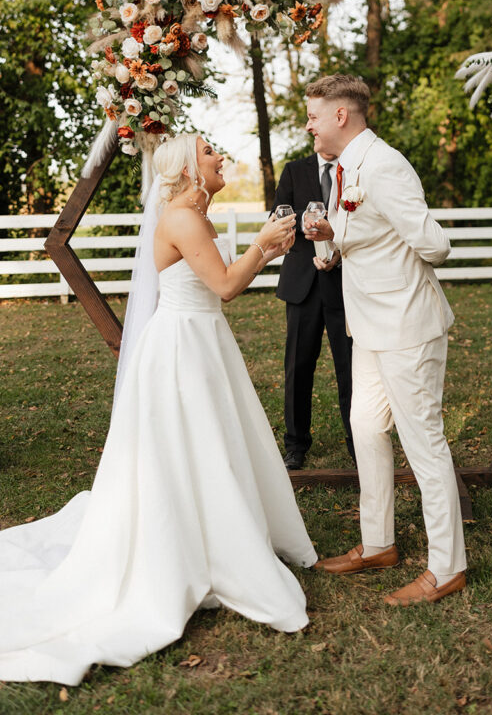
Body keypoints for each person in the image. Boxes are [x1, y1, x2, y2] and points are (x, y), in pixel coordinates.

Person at [0, 134, 317, 686]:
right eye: (210, 152)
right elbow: (224, 286)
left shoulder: (193, 212)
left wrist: (264, 247)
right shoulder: (184, 218)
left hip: (201, 342)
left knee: (211, 442)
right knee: (192, 445)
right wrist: (263, 247)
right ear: (189, 169)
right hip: (182, 349)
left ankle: (215, 528)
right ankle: (201, 544)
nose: (222, 157)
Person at [303, 74, 467, 606]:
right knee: (367, 429)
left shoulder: (385, 165)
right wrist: (334, 237)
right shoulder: (346, 168)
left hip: (407, 328)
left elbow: (433, 243)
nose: (309, 125)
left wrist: (395, 243)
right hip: (368, 327)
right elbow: (366, 233)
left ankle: (447, 568)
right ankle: (378, 543)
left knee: (424, 444)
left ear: (341, 117)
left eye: (313, 116)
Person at [273, 151, 354, 470]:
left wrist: (338, 252)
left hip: (345, 281)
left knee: (349, 366)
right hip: (302, 282)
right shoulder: (294, 170)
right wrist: (304, 218)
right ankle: (295, 444)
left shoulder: (354, 170)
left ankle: (356, 441)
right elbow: (276, 214)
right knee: (297, 366)